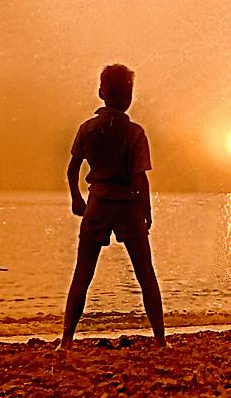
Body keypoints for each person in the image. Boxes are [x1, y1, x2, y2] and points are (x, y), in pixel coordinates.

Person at [60, 64, 166, 349]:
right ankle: (160, 339)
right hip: (128, 205)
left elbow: (72, 170)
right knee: (145, 273)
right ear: (129, 97)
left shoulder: (88, 128)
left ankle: (66, 340)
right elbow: (139, 178)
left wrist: (76, 199)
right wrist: (147, 210)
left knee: (82, 272)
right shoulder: (134, 132)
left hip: (97, 203)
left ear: (101, 92)